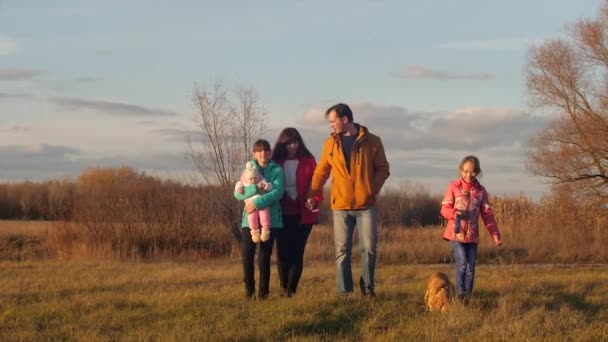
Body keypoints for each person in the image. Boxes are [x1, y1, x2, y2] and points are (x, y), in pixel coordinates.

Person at [306, 103, 390, 297]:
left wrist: (372, 189)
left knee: (368, 248)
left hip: (366, 205)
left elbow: (383, 168)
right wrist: (312, 193)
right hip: (340, 206)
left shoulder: (373, 141)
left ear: (345, 119)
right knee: (342, 250)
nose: (331, 125)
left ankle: (368, 288)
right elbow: (321, 172)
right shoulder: (330, 144)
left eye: (333, 121)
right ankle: (344, 292)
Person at [440, 155, 502, 302]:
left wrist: (495, 234)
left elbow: (487, 215)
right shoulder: (454, 187)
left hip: (472, 237)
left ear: (477, 172)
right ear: (461, 171)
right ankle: (460, 294)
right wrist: (454, 213)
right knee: (462, 263)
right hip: (456, 235)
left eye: (472, 171)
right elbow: (444, 208)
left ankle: (467, 297)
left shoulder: (481, 192)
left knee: (470, 268)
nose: (469, 174)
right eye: (466, 171)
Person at [272, 127, 322, 298]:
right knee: (282, 253)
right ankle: (282, 288)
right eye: (288, 143)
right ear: (282, 145)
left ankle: (290, 292)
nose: (292, 146)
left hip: (303, 215)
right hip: (280, 214)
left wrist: (314, 200)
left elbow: (317, 186)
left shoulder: (309, 161)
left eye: (295, 142)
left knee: (297, 252)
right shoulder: (275, 162)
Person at [234, 139, 284, 300]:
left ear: (270, 153)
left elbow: (277, 193)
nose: (263, 154)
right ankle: (249, 292)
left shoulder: (277, 170)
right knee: (247, 256)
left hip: (271, 220)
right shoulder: (248, 170)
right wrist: (255, 189)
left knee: (264, 257)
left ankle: (263, 294)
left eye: (266, 150)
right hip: (248, 220)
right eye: (259, 151)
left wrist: (256, 203)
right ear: (254, 154)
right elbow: (238, 194)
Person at [234, 161, 273, 243]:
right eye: (250, 179)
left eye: (255, 178)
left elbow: (270, 187)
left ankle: (265, 230)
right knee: (251, 218)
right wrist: (239, 189)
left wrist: (265, 186)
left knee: (265, 215)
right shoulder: (244, 182)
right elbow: (238, 188)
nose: (253, 180)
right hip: (250, 205)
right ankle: (254, 232)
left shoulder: (261, 180)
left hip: (262, 203)